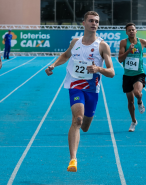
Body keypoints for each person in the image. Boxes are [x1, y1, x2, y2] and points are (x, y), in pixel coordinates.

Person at [45, 11, 115, 172]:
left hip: (92, 90)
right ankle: (73, 160)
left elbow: (112, 72)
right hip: (75, 86)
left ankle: (82, 129)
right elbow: (65, 55)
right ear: (83, 23)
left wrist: (98, 68)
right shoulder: (75, 42)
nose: (94, 23)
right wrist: (53, 65)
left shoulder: (102, 45)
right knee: (77, 119)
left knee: (84, 126)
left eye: (97, 21)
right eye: (91, 20)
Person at [118, 23, 146, 132]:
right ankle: (133, 121)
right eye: (129, 30)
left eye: (133, 29)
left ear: (136, 31)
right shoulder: (124, 42)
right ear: (126, 32)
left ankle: (140, 101)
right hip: (127, 75)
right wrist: (128, 50)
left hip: (139, 73)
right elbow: (120, 59)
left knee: (137, 93)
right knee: (130, 102)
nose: (131, 31)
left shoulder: (142, 42)